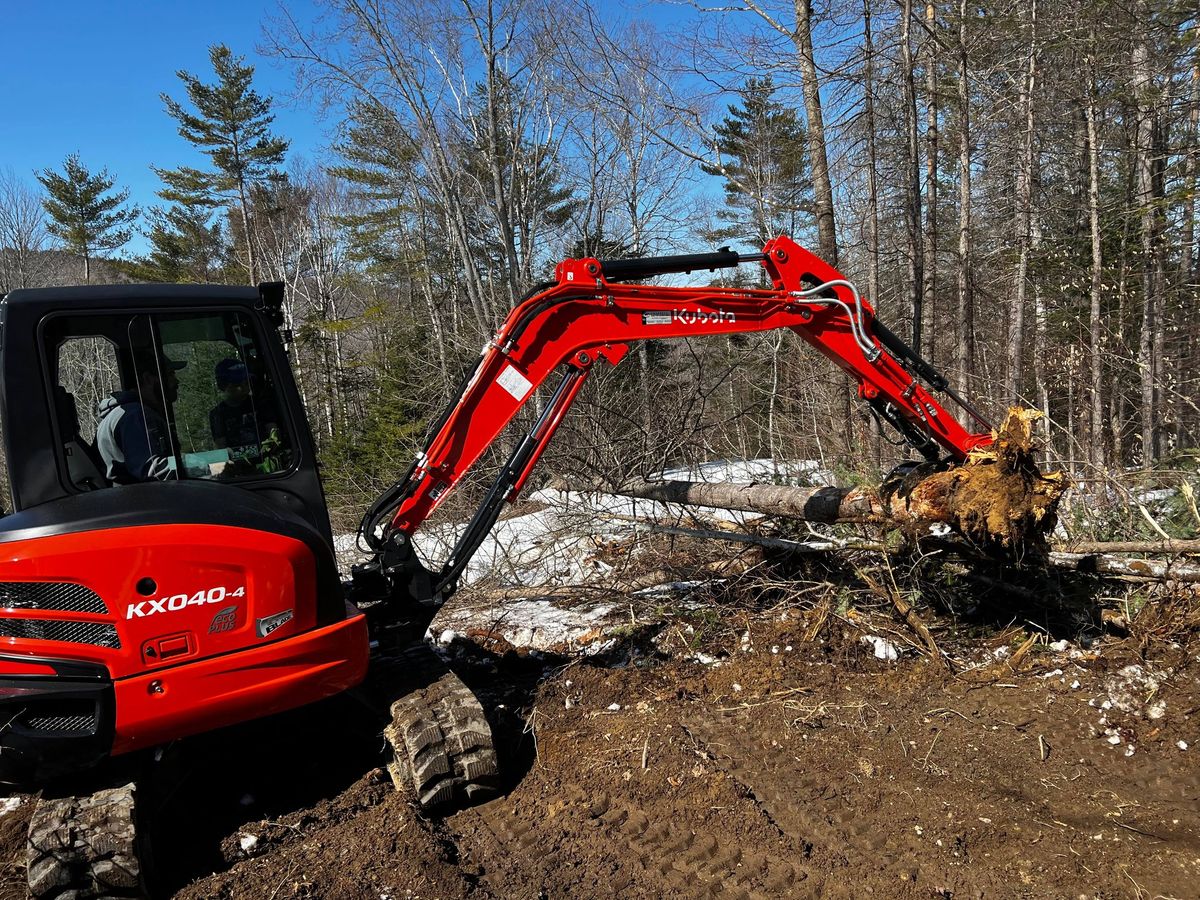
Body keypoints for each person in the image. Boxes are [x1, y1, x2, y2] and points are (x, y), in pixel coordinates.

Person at [95, 352, 185, 483]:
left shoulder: (133, 413)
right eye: (170, 374)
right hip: (143, 495)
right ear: (148, 379)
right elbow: (154, 470)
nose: (176, 381)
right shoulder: (134, 416)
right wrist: (192, 465)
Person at [209, 358, 275, 450]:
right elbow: (222, 447)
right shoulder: (217, 414)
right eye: (238, 383)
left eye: (247, 382)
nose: (244, 387)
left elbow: (274, 436)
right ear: (223, 386)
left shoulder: (261, 404)